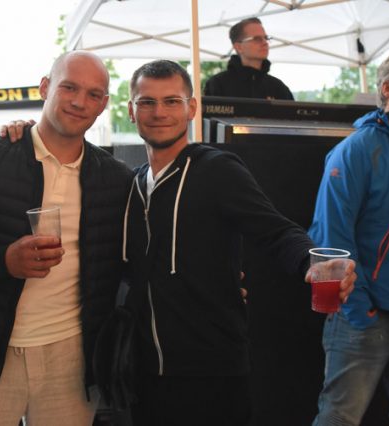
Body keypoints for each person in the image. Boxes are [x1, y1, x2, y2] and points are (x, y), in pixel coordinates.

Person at [122, 59, 355, 425]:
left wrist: (312, 262)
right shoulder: (133, 184)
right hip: (144, 373)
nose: (159, 112)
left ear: (191, 108)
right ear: (131, 111)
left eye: (172, 101)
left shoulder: (216, 169)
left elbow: (275, 229)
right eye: (147, 102)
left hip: (211, 370)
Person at [0, 51, 133, 425]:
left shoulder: (116, 179)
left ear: (104, 104)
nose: (79, 102)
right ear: (45, 87)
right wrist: (3, 260)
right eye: (69, 87)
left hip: (72, 360)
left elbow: (132, 261)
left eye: (93, 94)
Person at [309, 53, 389, 426]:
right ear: (387, 89)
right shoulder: (357, 149)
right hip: (365, 318)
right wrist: (361, 311)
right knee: (339, 418)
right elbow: (331, 236)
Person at [204, 17, 293, 100]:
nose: (265, 43)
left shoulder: (278, 88)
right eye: (257, 39)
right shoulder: (218, 84)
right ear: (239, 47)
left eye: (266, 38)